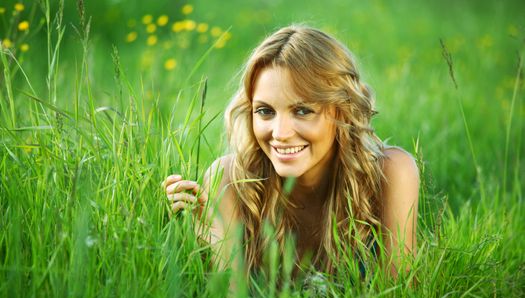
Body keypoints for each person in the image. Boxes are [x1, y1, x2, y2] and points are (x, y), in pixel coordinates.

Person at [163, 24, 419, 281]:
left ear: (342, 111)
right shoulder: (232, 180)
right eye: (265, 111)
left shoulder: (390, 173)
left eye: (302, 111)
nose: (280, 133)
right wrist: (208, 241)